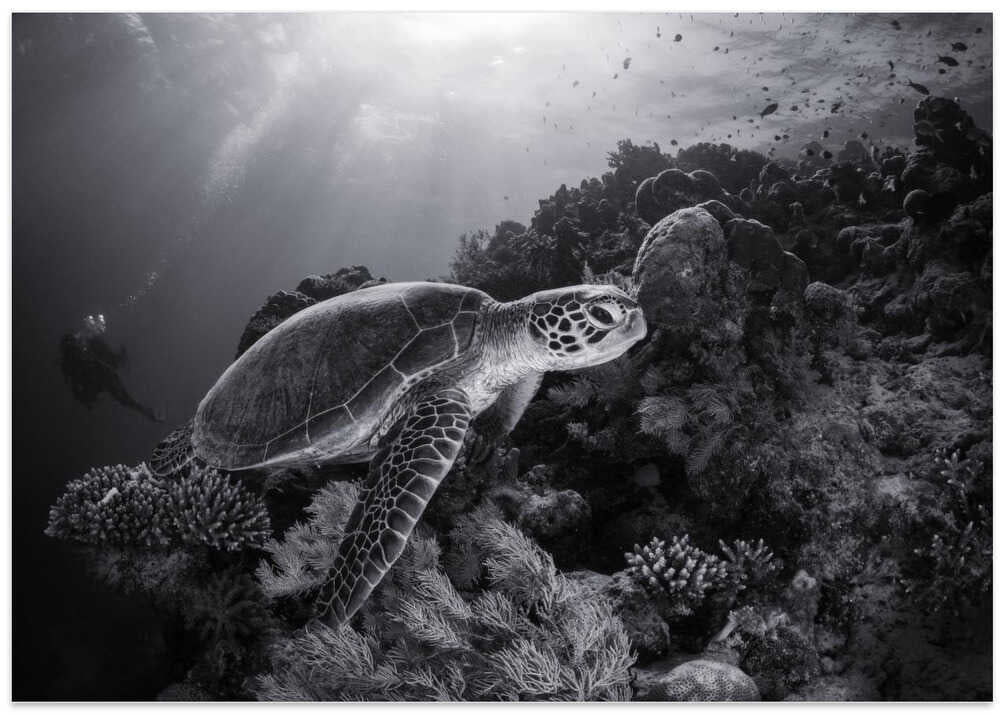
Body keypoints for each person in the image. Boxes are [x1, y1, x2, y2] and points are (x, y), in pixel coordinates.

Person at [59, 313, 163, 422]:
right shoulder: (85, 348)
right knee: (124, 399)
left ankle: (148, 412)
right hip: (101, 376)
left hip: (98, 378)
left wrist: (87, 399)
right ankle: (149, 412)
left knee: (123, 399)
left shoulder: (74, 357)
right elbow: (109, 360)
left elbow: (75, 384)